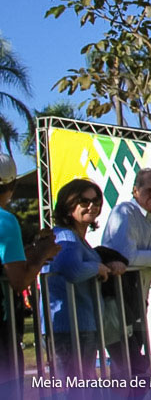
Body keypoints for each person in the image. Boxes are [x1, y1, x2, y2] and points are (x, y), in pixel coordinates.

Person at [100, 168, 151, 378]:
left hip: (139, 300)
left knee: (130, 368)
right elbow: (128, 257)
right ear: (135, 190)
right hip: (114, 302)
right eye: (150, 190)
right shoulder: (124, 212)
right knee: (132, 366)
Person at [43, 179, 124, 378]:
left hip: (80, 327)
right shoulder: (66, 236)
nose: (92, 206)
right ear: (68, 205)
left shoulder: (75, 237)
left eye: (96, 201)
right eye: (84, 201)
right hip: (70, 329)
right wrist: (96, 267)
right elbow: (73, 270)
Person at [0, 156, 60, 387]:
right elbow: (18, 280)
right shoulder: (5, 221)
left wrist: (31, 251)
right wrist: (43, 253)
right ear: (11, 187)